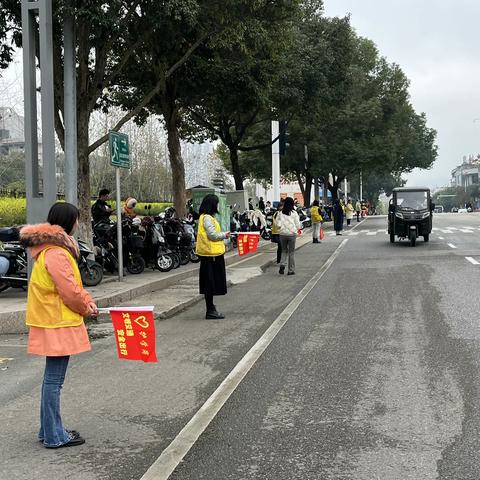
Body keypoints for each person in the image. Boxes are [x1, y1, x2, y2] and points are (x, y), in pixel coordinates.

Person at [20, 203, 98, 449]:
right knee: (54, 381)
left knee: (51, 380)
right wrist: (86, 307)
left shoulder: (48, 250)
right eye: (76, 219)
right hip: (57, 321)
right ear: (69, 222)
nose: (77, 223)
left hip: (51, 320)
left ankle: (48, 430)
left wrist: (86, 302)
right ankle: (55, 435)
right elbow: (70, 291)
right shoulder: (57, 253)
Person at [196, 194, 230, 319]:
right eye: (216, 203)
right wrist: (224, 235)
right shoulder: (207, 218)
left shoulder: (204, 217)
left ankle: (211, 308)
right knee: (210, 283)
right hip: (211, 255)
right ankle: (210, 310)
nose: (218, 206)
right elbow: (212, 235)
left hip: (210, 254)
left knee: (209, 282)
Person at [276, 197, 302, 275]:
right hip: (292, 234)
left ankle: (282, 264)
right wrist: (298, 229)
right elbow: (298, 225)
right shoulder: (294, 213)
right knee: (291, 252)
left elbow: (277, 224)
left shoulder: (280, 213)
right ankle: (291, 270)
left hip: (282, 234)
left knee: (284, 250)